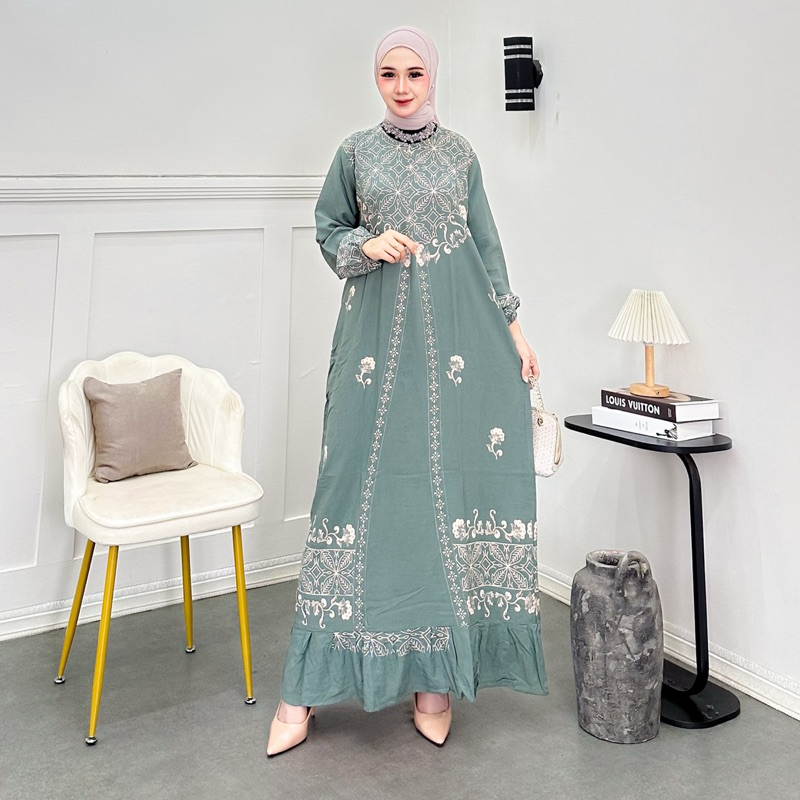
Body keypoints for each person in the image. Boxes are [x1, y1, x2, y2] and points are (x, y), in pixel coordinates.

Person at [267, 25, 547, 757]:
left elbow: (486, 247)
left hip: (455, 344)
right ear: (376, 79)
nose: (401, 86)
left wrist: (515, 332)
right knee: (352, 491)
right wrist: (366, 244)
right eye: (389, 73)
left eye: (414, 72)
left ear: (433, 76)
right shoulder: (355, 153)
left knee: (439, 496)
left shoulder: (462, 156)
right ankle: (305, 689)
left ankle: (433, 682)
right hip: (372, 347)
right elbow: (328, 229)